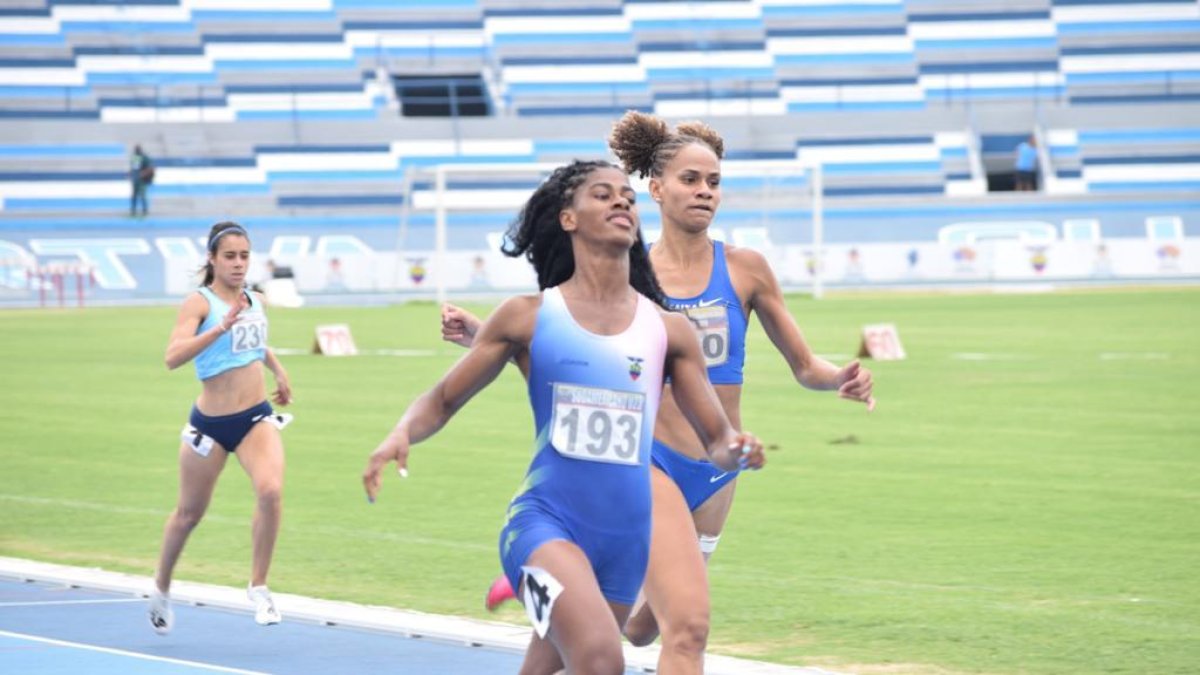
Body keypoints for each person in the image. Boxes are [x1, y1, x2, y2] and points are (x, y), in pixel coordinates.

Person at [448, 111, 875, 672]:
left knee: (642, 628)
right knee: (689, 629)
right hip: (647, 464)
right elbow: (563, 339)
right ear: (655, 188)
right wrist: (488, 338)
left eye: (714, 182)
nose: (704, 192)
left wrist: (837, 377)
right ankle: (553, 585)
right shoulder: (628, 270)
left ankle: (543, 588)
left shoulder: (746, 270)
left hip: (718, 472)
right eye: (690, 180)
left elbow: (803, 364)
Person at [363, 160, 765, 675]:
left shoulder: (668, 331)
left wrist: (738, 450)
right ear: (568, 219)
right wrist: (401, 431)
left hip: (625, 542)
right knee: (600, 659)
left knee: (552, 665)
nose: (621, 202)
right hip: (544, 525)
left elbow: (716, 439)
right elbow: (441, 399)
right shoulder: (527, 316)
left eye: (626, 195)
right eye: (602, 195)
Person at [149, 221, 293, 635]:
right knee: (188, 514)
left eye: (245, 255)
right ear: (212, 259)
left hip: (254, 418)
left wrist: (279, 370)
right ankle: (160, 587)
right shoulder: (199, 302)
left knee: (270, 490)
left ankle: (259, 586)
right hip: (209, 426)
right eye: (230, 256)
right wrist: (220, 326)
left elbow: (255, 342)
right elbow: (172, 357)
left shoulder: (255, 298)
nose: (238, 264)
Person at [130, 144, 153, 217]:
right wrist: (130, 174)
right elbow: (134, 168)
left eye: (137, 150)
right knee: (134, 196)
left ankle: (145, 210)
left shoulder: (145, 158)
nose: (136, 151)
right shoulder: (134, 157)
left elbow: (150, 168)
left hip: (142, 180)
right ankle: (133, 210)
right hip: (135, 179)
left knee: (142, 195)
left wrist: (143, 174)